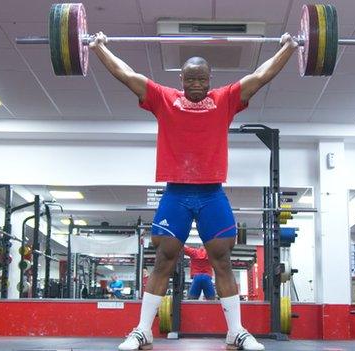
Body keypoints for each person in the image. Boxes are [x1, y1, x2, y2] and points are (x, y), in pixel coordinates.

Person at [90, 29, 298, 351]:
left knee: (222, 260)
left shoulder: (225, 99)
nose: (197, 86)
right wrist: (99, 46)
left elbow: (261, 75)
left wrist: (289, 47)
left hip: (211, 193)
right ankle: (143, 330)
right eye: (191, 80)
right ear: (182, 79)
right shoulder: (164, 99)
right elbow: (126, 74)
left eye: (202, 80)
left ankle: (236, 332)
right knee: (164, 258)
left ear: (210, 79)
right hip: (176, 193)